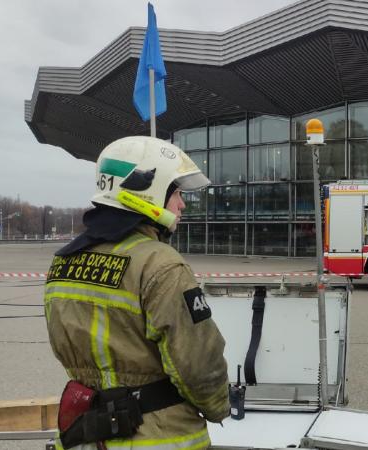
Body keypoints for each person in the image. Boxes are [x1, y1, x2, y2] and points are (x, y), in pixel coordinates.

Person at [44, 136, 229, 449]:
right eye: (177, 193)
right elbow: (197, 361)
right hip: (159, 436)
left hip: (86, 432)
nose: (182, 204)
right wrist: (219, 407)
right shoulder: (160, 264)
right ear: (150, 191)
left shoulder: (63, 262)